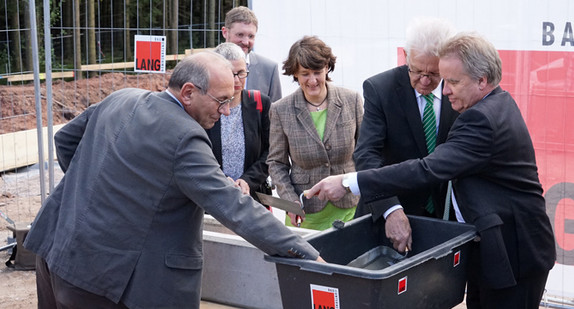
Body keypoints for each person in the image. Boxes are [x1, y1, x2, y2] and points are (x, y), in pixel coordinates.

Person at [23, 52, 323, 309]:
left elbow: (66, 141)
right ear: (189, 92)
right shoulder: (185, 137)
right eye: (221, 101)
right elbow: (235, 208)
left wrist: (98, 191)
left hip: (56, 252)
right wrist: (307, 254)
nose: (227, 111)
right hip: (105, 283)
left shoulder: (121, 98)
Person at [307, 32, 556, 309]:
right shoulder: (491, 104)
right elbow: (373, 153)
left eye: (452, 81)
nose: (445, 90)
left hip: (513, 254)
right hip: (491, 248)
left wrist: (349, 182)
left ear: (482, 80)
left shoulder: (482, 119)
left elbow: (428, 169)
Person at [353, 18, 459, 221]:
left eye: (434, 74)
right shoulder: (380, 89)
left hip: (443, 215)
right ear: (406, 56)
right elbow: (366, 154)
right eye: (417, 71)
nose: (425, 81)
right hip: (390, 211)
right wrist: (390, 208)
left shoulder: (459, 91)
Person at [267, 36, 363, 231]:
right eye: (305, 74)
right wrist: (289, 200)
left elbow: (366, 151)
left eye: (317, 72)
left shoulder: (351, 100)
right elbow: (276, 163)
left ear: (327, 67)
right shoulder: (281, 110)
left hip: (350, 205)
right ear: (295, 73)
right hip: (305, 212)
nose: (312, 80)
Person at [206, 42, 272, 207]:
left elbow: (271, 151)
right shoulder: (204, 107)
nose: (237, 80)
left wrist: (247, 181)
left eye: (241, 73)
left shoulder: (259, 103)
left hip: (252, 200)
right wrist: (220, 181)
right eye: (231, 73)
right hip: (212, 198)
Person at [222, 6, 282, 102]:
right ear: (225, 32)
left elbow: (275, 112)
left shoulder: (269, 69)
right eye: (240, 35)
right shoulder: (206, 65)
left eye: (251, 36)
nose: (246, 42)